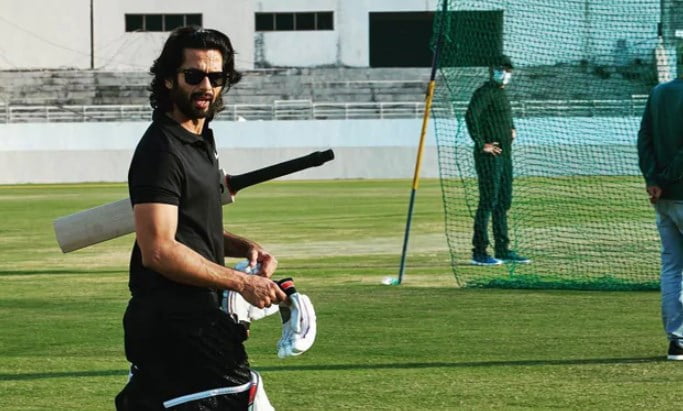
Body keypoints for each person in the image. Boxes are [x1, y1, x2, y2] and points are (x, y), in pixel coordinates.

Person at [115, 26, 287, 409]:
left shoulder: (201, 140)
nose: (206, 86)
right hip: (178, 323)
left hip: (190, 319)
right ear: (168, 79)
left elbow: (190, 227)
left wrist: (244, 247)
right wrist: (242, 282)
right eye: (193, 76)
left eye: (216, 77)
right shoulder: (162, 151)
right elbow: (158, 250)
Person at [465, 55, 530, 266]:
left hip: (505, 155)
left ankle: (502, 249)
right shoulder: (485, 92)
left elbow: (505, 117)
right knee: (488, 201)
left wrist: (512, 128)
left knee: (503, 201)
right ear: (492, 70)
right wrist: (481, 143)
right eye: (501, 69)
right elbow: (471, 116)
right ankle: (479, 251)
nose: (505, 74)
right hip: (490, 157)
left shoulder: (502, 93)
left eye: (508, 70)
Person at [637, 64, 683, 361]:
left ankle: (678, 340)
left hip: (664, 199)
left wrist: (653, 180)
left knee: (672, 269)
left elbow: (644, 140)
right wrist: (664, 179)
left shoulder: (659, 92)